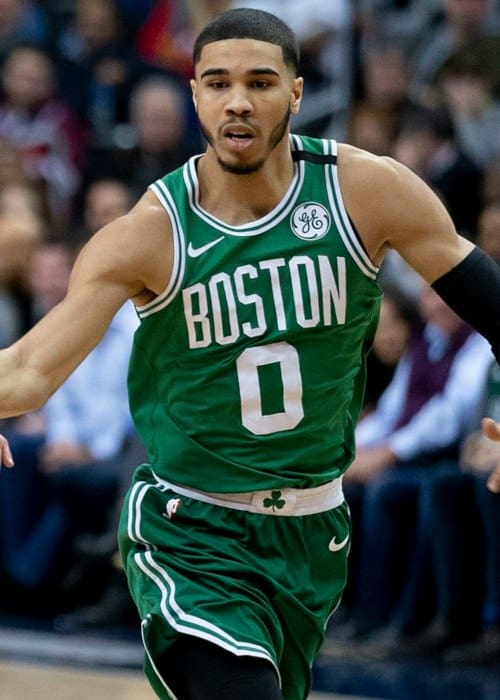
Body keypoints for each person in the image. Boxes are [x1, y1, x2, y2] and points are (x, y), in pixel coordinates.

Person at [1, 8, 500, 699]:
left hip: (313, 533)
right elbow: (27, 369)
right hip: (190, 531)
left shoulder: (366, 191)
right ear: (195, 94)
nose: (238, 100)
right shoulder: (149, 231)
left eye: (261, 82)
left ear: (296, 93)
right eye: (217, 82)